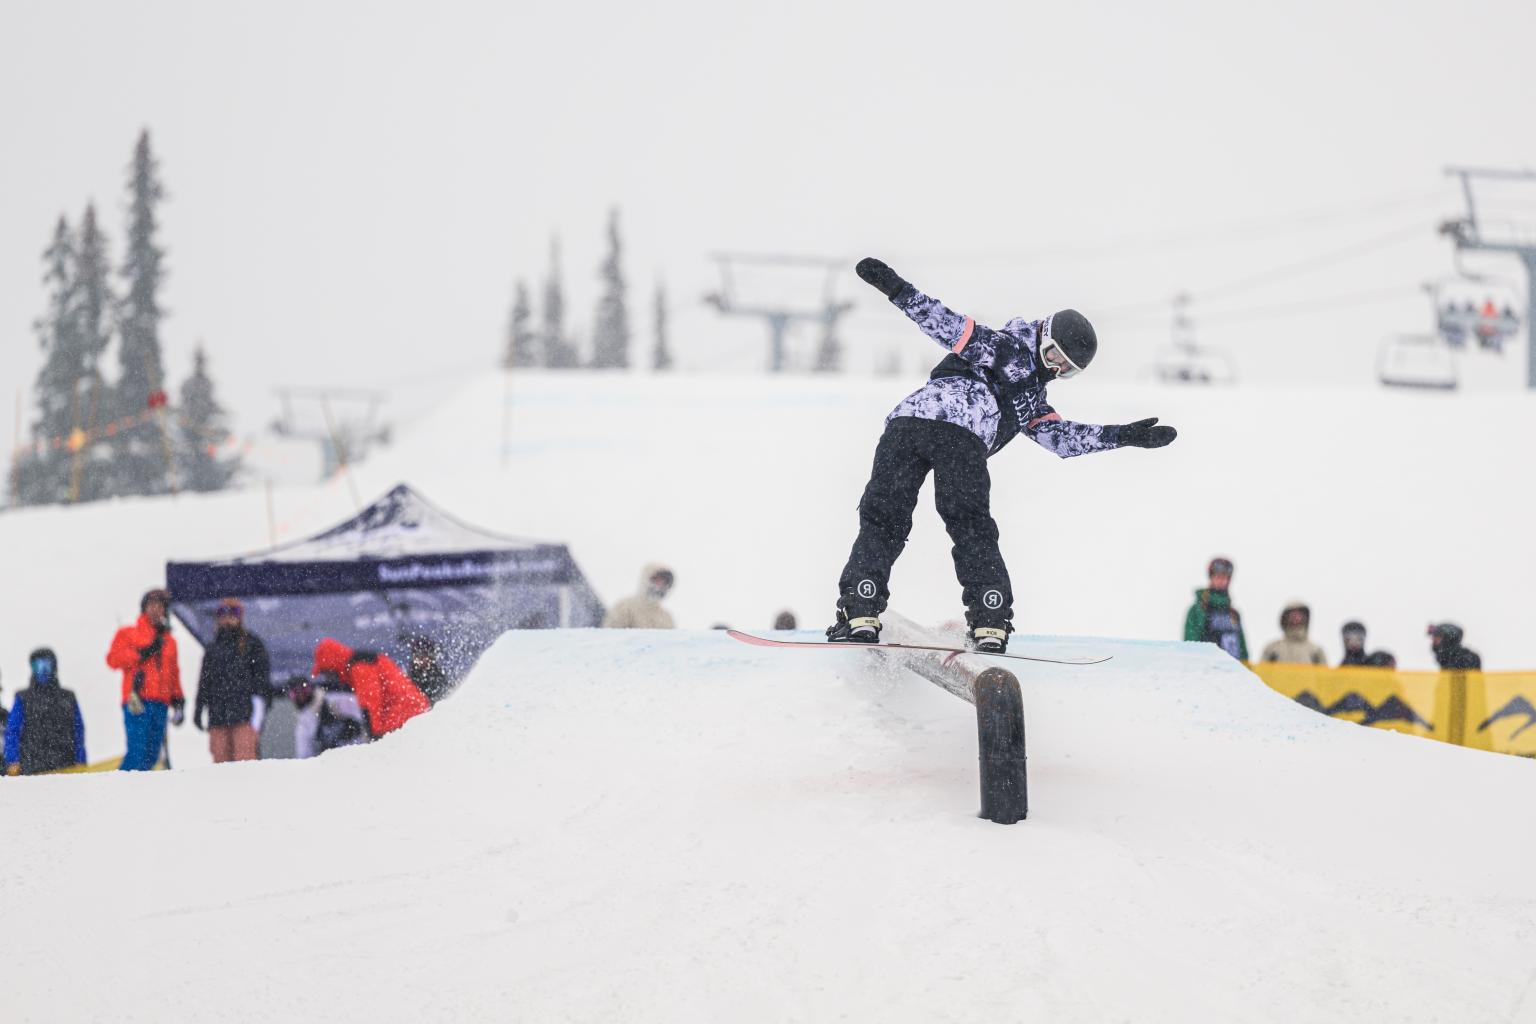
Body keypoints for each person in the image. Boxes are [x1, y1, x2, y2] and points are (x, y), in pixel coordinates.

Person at [829, 258, 1177, 653]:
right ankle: (982, 619)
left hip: (907, 425)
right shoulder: (1004, 349)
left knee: (893, 517)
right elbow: (945, 323)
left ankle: (866, 605)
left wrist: (1121, 436)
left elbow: (1061, 439)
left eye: (1067, 369)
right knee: (960, 523)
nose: (1055, 367)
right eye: (1054, 355)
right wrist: (895, 288)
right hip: (948, 435)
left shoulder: (1032, 399)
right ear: (1042, 334)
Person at [106, 588, 185, 771]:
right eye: (152, 605)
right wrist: (141, 653)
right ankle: (120, 789)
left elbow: (173, 672)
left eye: (160, 605)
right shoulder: (128, 633)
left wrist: (178, 699)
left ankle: (138, 794)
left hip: (161, 703)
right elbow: (113, 659)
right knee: (137, 752)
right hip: (137, 700)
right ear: (144, 608)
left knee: (152, 755)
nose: (156, 609)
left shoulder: (169, 641)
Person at [192, 598, 272, 764]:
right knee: (221, 765)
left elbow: (262, 682)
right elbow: (205, 682)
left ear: (240, 617)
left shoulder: (252, 644)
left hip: (244, 717)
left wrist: (258, 717)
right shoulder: (213, 649)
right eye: (223, 613)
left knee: (244, 764)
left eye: (233, 613)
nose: (228, 618)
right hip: (218, 717)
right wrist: (199, 708)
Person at [310, 638, 429, 739]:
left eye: (326, 672)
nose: (328, 677)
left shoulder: (360, 667)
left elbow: (370, 702)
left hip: (406, 717)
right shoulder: (359, 664)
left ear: (333, 665)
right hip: (410, 714)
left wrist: (374, 735)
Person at [4, 649, 86, 776]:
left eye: (47, 665)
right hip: (31, 769)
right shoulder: (23, 697)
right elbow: (12, 731)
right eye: (38, 665)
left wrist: (80, 758)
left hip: (66, 767)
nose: (43, 670)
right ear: (32, 667)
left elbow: (78, 730)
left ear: (54, 666)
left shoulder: (68, 697)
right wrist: (13, 760)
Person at [289, 674, 369, 759]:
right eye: (295, 693)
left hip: (359, 755)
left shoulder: (335, 700)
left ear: (312, 688)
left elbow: (366, 712)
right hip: (332, 763)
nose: (301, 696)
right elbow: (304, 755)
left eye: (304, 690)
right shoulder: (304, 722)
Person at [1183, 557, 1248, 660]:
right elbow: (1190, 646)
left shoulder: (1233, 614)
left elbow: (1242, 649)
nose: (1222, 580)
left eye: (1225, 577)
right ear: (1211, 577)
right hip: (1208, 670)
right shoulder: (1198, 610)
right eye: (1218, 576)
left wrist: (1246, 670)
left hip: (1233, 672)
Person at [602, 564, 677, 629]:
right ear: (645, 579)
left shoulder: (666, 617)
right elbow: (610, 637)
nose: (659, 585)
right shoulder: (625, 607)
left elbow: (671, 643)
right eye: (656, 580)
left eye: (663, 582)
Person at [1260, 602, 1328, 665]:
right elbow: (1262, 674)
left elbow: (1324, 676)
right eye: (1292, 614)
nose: (1295, 617)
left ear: (1305, 618)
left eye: (1299, 614)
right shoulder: (1273, 649)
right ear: (1285, 618)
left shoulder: (1315, 651)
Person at [402, 633, 450, 704]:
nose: (422, 660)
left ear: (431, 657)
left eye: (425, 655)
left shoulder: (437, 676)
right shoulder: (409, 677)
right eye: (418, 656)